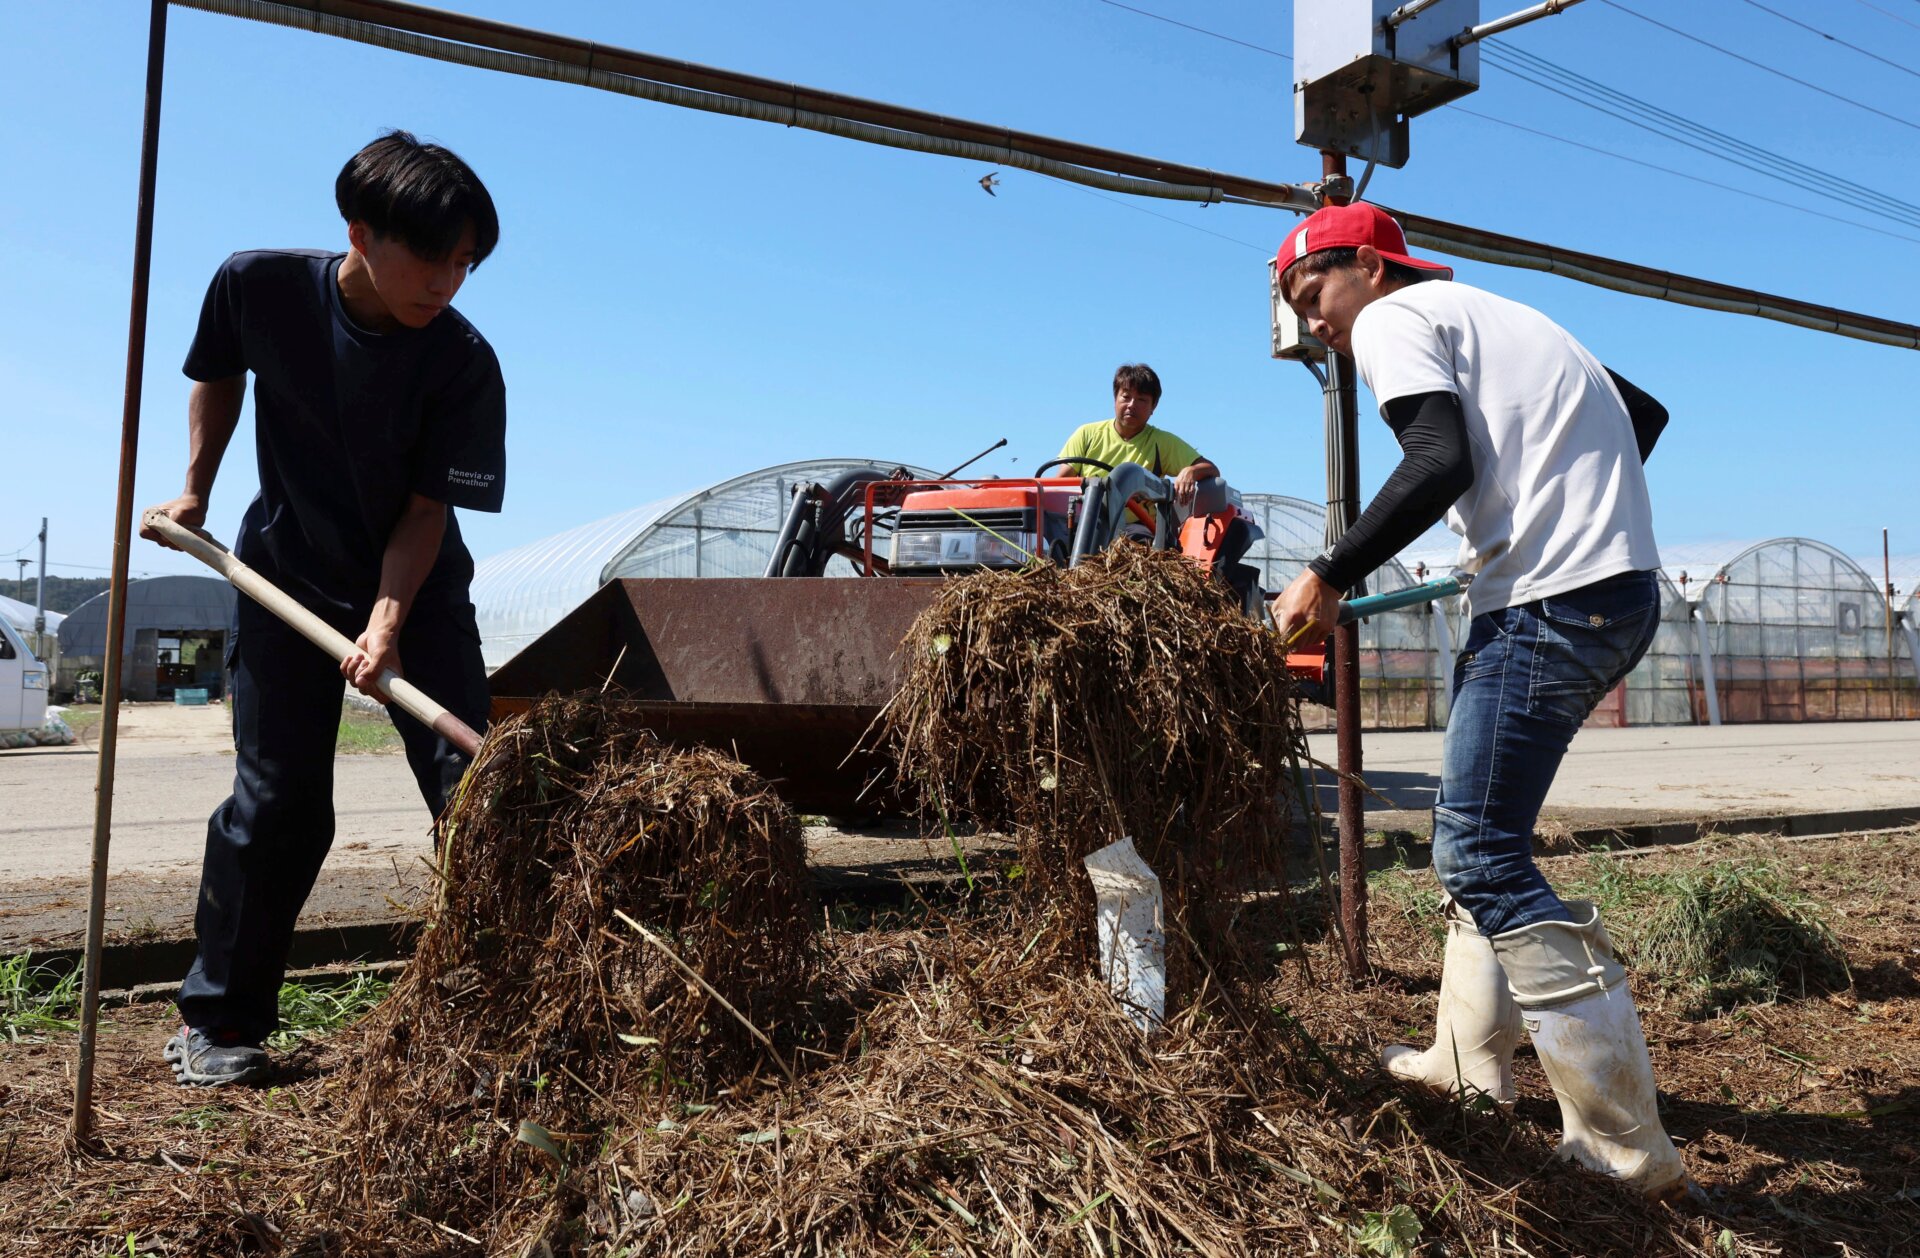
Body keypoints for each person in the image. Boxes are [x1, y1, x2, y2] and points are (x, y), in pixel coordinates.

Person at [1271, 202, 1686, 1200]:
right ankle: (1469, 1059)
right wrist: (1541, 516)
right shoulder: (1504, 321)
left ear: (1369, 266)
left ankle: (1623, 1144)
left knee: (1476, 850)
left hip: (1554, 603)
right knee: (1481, 827)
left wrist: (1329, 572)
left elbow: (1438, 459)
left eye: (1312, 292)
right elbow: (1643, 418)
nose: (1313, 321)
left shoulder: (1394, 320)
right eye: (1296, 304)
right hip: (1592, 592)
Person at [141, 131, 507, 1086]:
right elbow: (218, 371)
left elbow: (426, 514)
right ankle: (217, 1024)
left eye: (466, 263)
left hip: (416, 595)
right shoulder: (256, 285)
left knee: (479, 800)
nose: (449, 283)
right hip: (285, 575)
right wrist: (194, 491)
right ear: (360, 231)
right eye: (432, 258)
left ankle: (504, 1019)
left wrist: (386, 625)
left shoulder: (463, 362)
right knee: (279, 805)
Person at [1056, 363, 1220, 529]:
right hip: (1085, 522)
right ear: (1115, 399)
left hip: (1135, 529)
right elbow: (1059, 484)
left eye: (1141, 399)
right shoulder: (1087, 434)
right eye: (1126, 397)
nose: (1132, 405)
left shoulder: (1161, 442)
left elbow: (1210, 469)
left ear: (1153, 407)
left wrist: (1191, 471)